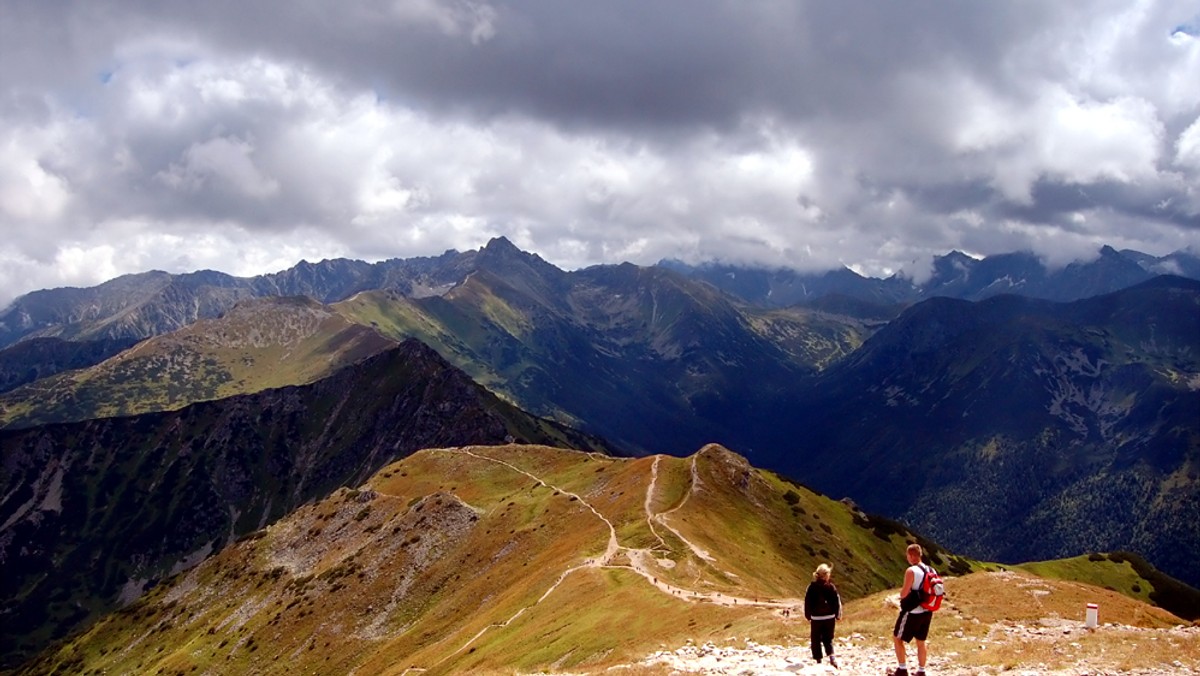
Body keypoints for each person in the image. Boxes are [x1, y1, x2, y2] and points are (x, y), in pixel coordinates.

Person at [891, 543, 932, 676]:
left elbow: (904, 593)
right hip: (927, 611)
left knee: (897, 638)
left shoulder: (911, 571)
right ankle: (921, 671)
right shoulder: (931, 570)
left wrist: (901, 596)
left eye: (907, 555)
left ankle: (902, 669)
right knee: (921, 641)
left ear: (911, 555)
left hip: (912, 612)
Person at [804, 562, 842, 668]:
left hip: (816, 618)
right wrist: (837, 615)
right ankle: (832, 657)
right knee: (828, 638)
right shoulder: (831, 587)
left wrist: (808, 615)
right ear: (826, 575)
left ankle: (818, 660)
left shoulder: (811, 587)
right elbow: (836, 601)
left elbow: (807, 602)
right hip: (829, 617)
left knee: (815, 638)